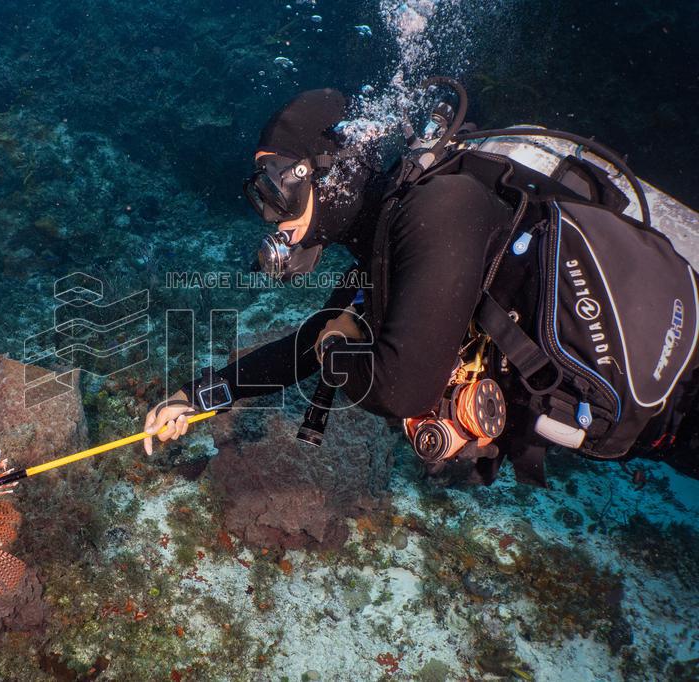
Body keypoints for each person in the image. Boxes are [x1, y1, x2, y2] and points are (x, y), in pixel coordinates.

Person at [143, 84, 699, 485]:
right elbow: (309, 348)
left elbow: (398, 390)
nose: (270, 216)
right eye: (258, 195)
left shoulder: (435, 209)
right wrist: (196, 398)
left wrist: (334, 344)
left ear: (323, 172)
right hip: (656, 416)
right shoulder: (392, 229)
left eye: (272, 190)